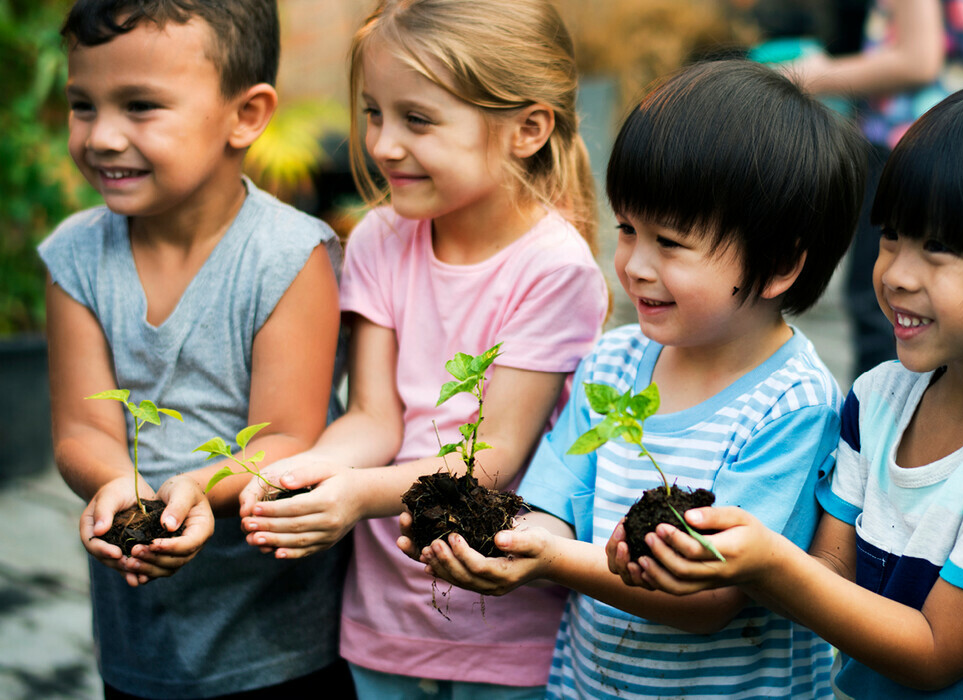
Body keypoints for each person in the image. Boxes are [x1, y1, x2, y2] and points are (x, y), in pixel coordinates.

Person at [625, 84, 963, 699]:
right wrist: (717, 559)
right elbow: (834, 577)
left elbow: (932, 652)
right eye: (891, 235)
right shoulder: (880, 400)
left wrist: (769, 563)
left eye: (938, 247)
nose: (894, 273)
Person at [406, 59, 869, 699]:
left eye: (671, 243)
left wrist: (553, 563)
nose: (635, 266)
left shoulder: (793, 405)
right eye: (626, 229)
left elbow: (710, 598)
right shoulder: (613, 364)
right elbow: (556, 509)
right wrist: (501, 545)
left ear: (780, 265)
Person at [235, 0, 608, 697]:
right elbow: (376, 418)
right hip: (385, 609)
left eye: (418, 119)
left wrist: (350, 498)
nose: (382, 145)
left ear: (528, 128)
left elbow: (490, 463)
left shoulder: (554, 270)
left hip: (501, 610)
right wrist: (305, 476)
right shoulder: (380, 238)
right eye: (374, 112)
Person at [39, 0, 351, 697]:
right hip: (140, 635)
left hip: (279, 639)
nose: (103, 136)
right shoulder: (76, 259)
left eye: (141, 106)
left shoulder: (287, 255)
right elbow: (84, 427)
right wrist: (116, 487)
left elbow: (291, 434)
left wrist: (200, 487)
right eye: (83, 105)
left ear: (246, 115)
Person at [783, 0, 963, 378]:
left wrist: (803, 76)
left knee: (882, 312)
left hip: (911, 144)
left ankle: (886, 426)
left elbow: (917, 60)